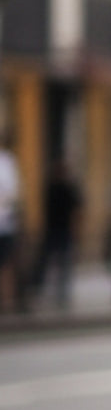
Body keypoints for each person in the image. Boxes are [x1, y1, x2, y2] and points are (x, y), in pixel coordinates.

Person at [32, 158, 83, 308]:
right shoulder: (52, 188)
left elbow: (77, 212)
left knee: (62, 263)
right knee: (52, 262)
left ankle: (61, 293)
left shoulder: (66, 188)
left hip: (61, 231)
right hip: (54, 231)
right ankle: (49, 291)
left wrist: (75, 231)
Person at [0, 130, 19, 314]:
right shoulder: (8, 163)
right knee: (5, 265)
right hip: (5, 223)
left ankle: (7, 301)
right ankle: (7, 301)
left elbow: (12, 195)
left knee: (5, 264)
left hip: (4, 223)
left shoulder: (7, 162)